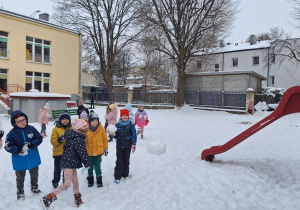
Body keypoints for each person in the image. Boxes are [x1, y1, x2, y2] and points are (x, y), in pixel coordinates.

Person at [41, 119, 91, 209]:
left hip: (71, 162)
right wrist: (87, 163)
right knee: (67, 183)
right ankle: (48, 198)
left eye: (86, 126)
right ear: (79, 128)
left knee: (75, 181)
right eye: (84, 126)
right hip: (68, 163)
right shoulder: (78, 138)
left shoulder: (74, 135)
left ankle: (77, 196)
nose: (86, 127)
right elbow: (82, 152)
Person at [5, 110, 43, 200]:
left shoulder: (31, 129)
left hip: (33, 157)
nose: (22, 122)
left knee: (34, 174)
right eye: (19, 121)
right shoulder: (12, 133)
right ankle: (20, 191)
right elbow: (7, 146)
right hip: (19, 159)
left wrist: (31, 144)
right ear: (14, 123)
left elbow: (39, 138)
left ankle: (34, 186)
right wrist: (17, 149)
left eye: (24, 120)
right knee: (20, 176)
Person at [113, 109, 137, 184]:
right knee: (119, 161)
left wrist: (134, 144)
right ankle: (117, 176)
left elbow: (134, 135)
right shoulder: (117, 125)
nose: (125, 116)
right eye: (123, 115)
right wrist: (112, 134)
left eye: (126, 115)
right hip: (119, 146)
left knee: (126, 161)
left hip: (127, 146)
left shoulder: (131, 125)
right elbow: (115, 135)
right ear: (121, 116)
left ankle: (125, 174)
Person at [86, 110, 108, 188]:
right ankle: (90, 179)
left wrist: (106, 149)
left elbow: (105, 139)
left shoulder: (101, 129)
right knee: (89, 167)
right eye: (93, 121)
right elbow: (84, 141)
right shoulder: (86, 130)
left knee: (98, 166)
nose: (95, 122)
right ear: (89, 122)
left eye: (96, 121)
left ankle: (99, 179)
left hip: (98, 152)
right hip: (89, 152)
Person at [50, 111, 72, 189]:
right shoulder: (55, 129)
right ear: (60, 120)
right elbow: (53, 141)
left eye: (67, 119)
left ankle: (65, 182)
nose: (65, 120)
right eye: (63, 119)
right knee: (57, 169)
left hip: (68, 153)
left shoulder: (71, 128)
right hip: (58, 153)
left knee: (66, 169)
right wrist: (60, 139)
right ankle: (55, 181)